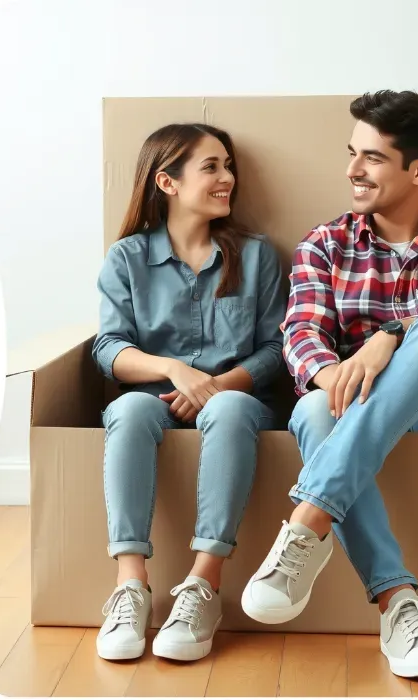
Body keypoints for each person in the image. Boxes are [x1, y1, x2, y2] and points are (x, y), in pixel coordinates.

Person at [241, 90, 418, 679]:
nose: (351, 171)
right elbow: (300, 333)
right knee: (315, 411)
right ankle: (400, 604)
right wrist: (328, 372)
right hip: (353, 407)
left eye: (370, 158)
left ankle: (310, 516)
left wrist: (390, 334)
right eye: (350, 153)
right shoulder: (326, 242)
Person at [91, 122, 286, 662]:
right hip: (154, 401)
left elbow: (275, 350)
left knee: (229, 407)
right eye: (212, 167)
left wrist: (216, 385)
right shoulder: (127, 258)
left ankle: (204, 584)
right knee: (127, 410)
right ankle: (130, 585)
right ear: (168, 182)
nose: (227, 178)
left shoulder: (257, 254)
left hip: (236, 406)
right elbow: (108, 349)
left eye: (229, 166)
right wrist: (176, 371)